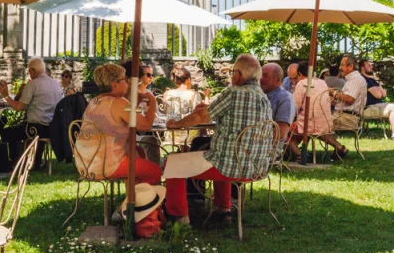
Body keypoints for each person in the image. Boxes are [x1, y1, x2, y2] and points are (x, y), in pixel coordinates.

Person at [163, 54, 271, 225]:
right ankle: (223, 210)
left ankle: (179, 218)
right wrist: (209, 108)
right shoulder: (263, 96)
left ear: (239, 74)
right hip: (255, 165)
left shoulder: (233, 92)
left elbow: (201, 117)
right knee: (222, 152)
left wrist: (177, 124)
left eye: (233, 72)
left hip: (229, 166)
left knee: (172, 162)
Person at [75, 62, 160, 190]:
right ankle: (141, 206)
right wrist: (153, 101)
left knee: (139, 153)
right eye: (125, 79)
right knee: (155, 172)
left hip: (85, 164)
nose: (128, 82)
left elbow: (125, 117)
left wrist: (136, 102)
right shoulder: (119, 102)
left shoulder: (95, 101)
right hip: (106, 165)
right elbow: (146, 125)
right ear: (114, 84)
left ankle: (134, 200)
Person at [0, 57, 64, 168]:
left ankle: (16, 162)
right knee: (23, 129)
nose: (29, 74)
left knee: (7, 132)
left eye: (29, 71)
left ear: (33, 71)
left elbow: (18, 108)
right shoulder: (56, 84)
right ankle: (35, 162)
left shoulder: (33, 84)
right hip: (52, 128)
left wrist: (6, 96)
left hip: (35, 128)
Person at [294, 61, 347, 161]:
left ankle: (299, 155)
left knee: (291, 130)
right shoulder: (322, 82)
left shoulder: (302, 83)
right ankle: (340, 147)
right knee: (317, 129)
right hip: (326, 121)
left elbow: (295, 106)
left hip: (308, 124)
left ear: (300, 74)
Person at [359, 59, 394, 140]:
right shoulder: (363, 80)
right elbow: (378, 95)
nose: (371, 67)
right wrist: (379, 89)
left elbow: (384, 93)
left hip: (378, 104)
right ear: (362, 68)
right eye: (368, 65)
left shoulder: (372, 80)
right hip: (369, 106)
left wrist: (378, 89)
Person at [260, 62, 297, 150]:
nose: (261, 79)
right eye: (260, 75)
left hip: (267, 149)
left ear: (277, 80)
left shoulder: (285, 98)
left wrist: (253, 137)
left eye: (265, 76)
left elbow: (280, 132)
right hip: (252, 144)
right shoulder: (259, 95)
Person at [329, 55, 368, 134]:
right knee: (315, 123)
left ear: (350, 66)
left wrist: (332, 92)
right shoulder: (352, 79)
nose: (339, 68)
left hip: (347, 118)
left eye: (342, 65)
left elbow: (350, 100)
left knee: (316, 125)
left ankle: (338, 146)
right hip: (343, 116)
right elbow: (345, 100)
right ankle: (338, 146)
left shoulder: (355, 79)